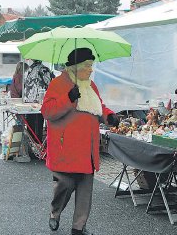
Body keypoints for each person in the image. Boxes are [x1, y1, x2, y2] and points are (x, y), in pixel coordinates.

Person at [41, 48, 119, 235]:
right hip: (66, 147)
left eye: (91, 65)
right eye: (87, 66)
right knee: (65, 185)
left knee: (85, 192)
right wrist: (68, 98)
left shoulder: (91, 86)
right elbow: (47, 111)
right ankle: (55, 212)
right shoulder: (58, 84)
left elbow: (99, 107)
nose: (91, 70)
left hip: (87, 148)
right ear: (75, 67)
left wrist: (109, 116)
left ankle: (79, 227)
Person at [24, 60, 54, 144]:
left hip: (29, 100)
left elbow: (25, 84)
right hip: (40, 101)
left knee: (30, 124)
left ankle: (30, 145)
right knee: (38, 123)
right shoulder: (44, 69)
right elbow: (49, 83)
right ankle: (38, 144)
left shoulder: (29, 70)